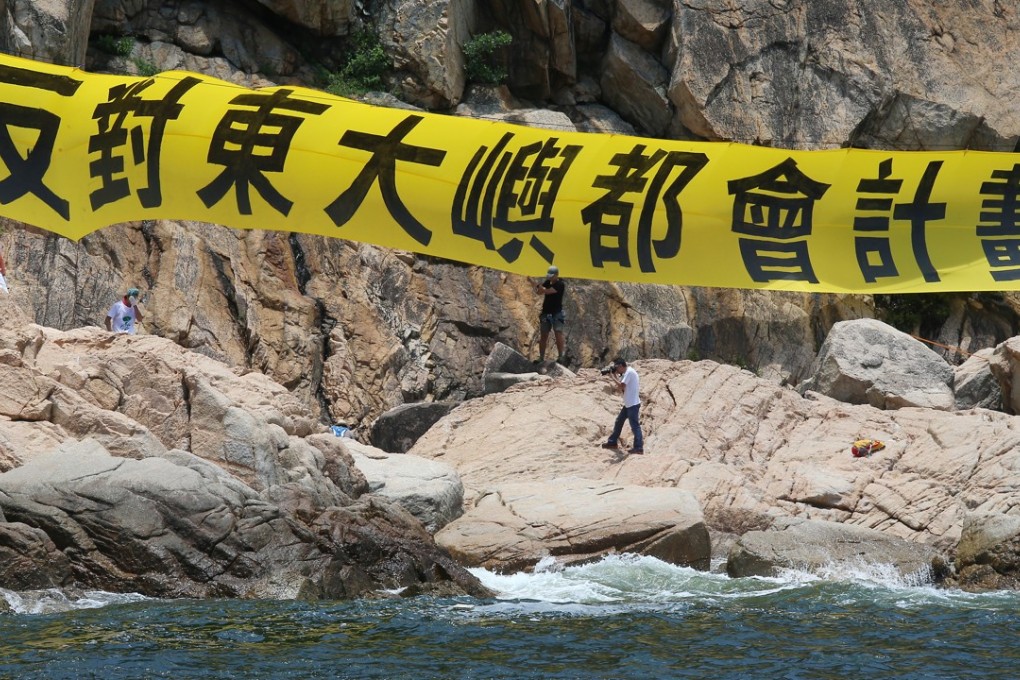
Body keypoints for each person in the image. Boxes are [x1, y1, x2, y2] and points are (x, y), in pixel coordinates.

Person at [601, 358, 644, 454]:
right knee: (619, 421)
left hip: (632, 405)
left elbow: (621, 386)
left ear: (621, 366)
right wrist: (616, 376)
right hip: (629, 404)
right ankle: (612, 442)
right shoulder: (627, 373)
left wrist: (612, 377)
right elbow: (621, 386)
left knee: (635, 426)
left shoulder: (629, 372)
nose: (616, 369)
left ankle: (639, 448)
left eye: (617, 367)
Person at [532, 265, 566, 364]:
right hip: (546, 312)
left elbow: (547, 291)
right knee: (543, 335)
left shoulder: (560, 284)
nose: (550, 277)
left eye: (551, 276)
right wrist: (536, 286)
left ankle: (561, 356)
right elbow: (539, 292)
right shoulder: (548, 282)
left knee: (558, 333)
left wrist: (536, 285)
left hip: (557, 313)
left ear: (556, 275)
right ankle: (541, 357)